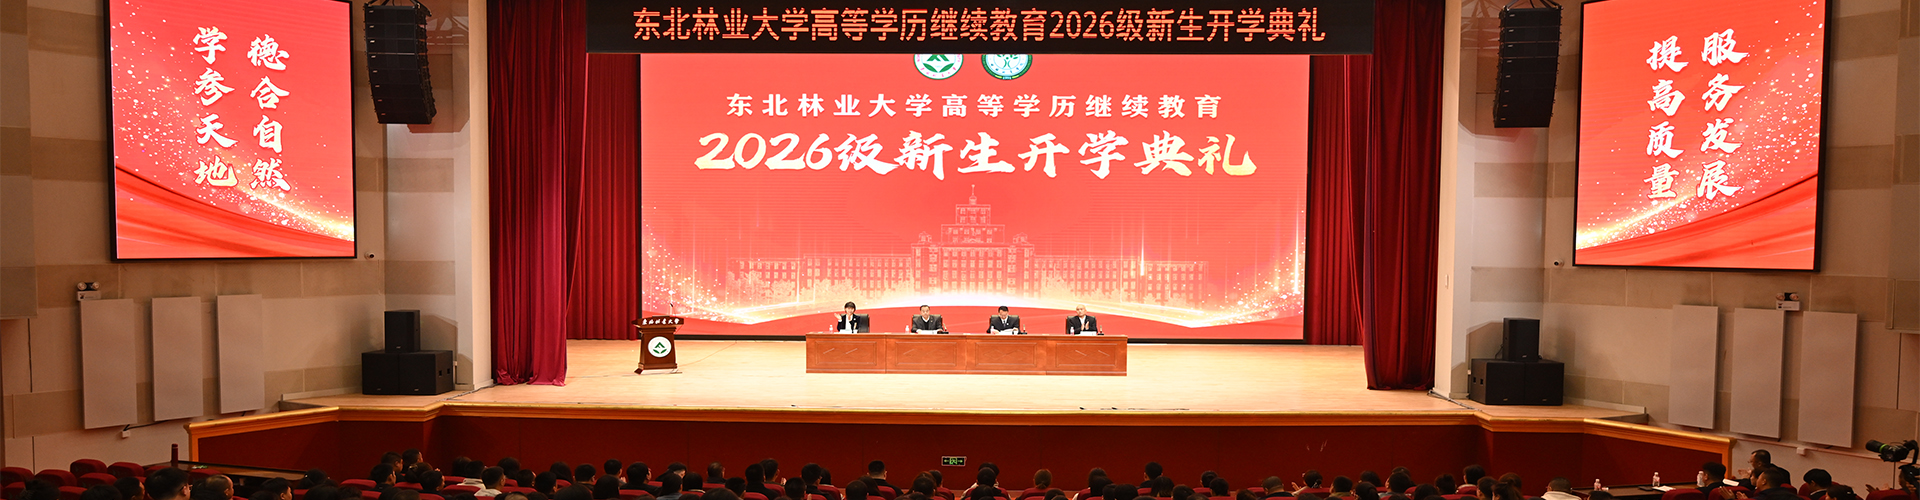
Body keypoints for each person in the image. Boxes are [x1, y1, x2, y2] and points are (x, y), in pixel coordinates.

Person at [1721, 468, 1794, 500]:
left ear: (1764, 482)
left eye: (1759, 478)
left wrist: (1730, 499)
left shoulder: (1765, 497)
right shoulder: (1788, 494)